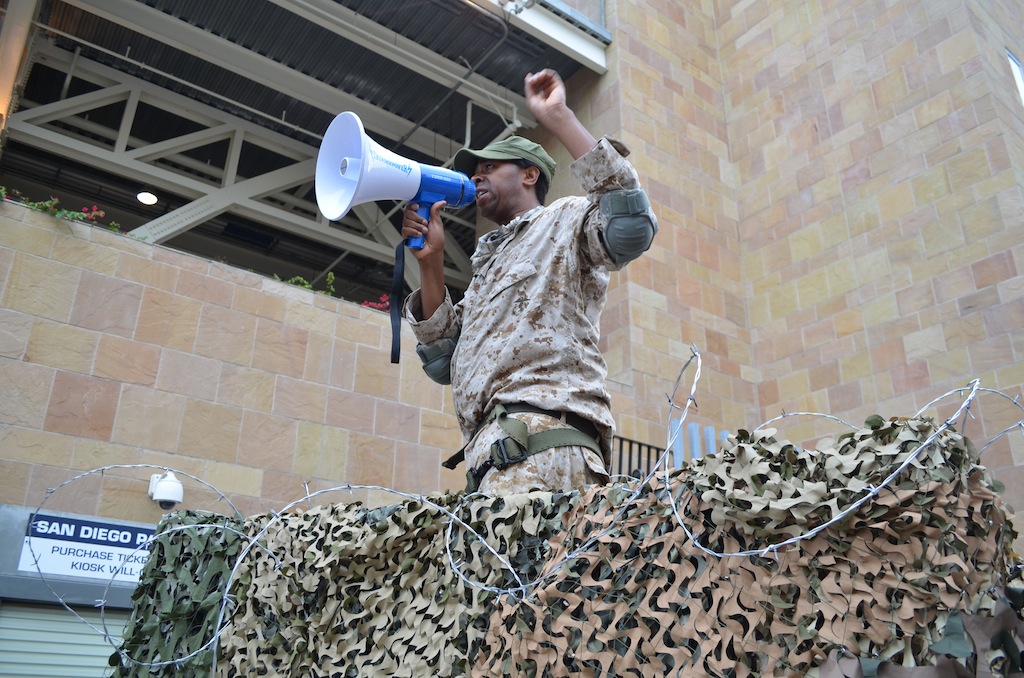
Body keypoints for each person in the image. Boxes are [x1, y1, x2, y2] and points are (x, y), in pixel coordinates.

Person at [401, 69, 657, 495]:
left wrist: (559, 117)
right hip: (498, 452)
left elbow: (631, 228)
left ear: (529, 175)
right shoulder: (489, 266)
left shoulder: (563, 220)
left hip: (539, 442)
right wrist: (432, 262)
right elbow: (443, 360)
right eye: (474, 171)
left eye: (488, 167)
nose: (476, 176)